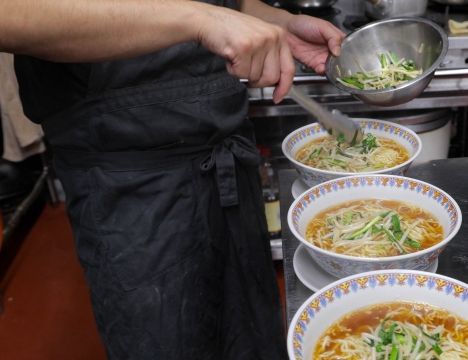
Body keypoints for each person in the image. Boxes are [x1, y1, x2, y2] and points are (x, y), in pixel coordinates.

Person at [0, 0, 345, 358]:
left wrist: (277, 24)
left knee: (253, 339)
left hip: (228, 166)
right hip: (133, 191)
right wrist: (198, 19)